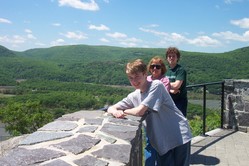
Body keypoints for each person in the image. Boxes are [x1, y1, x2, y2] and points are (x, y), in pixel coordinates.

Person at [108, 59, 192, 166]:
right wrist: (115, 111)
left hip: (178, 135)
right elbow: (111, 108)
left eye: (137, 76)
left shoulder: (156, 85)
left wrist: (123, 111)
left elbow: (140, 111)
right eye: (131, 78)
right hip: (162, 141)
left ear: (145, 74)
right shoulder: (134, 95)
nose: (134, 81)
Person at [145, 56, 171, 166]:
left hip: (161, 118)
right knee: (149, 144)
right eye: (152, 66)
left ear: (162, 68)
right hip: (148, 117)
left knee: (161, 144)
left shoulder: (164, 81)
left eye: (158, 66)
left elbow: (159, 99)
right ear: (150, 68)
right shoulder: (146, 79)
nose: (155, 68)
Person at [165, 47, 188, 117]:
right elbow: (159, 83)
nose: (171, 58)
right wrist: (171, 90)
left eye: (173, 56)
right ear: (167, 58)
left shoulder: (180, 70)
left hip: (179, 101)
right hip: (168, 101)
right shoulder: (165, 70)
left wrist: (164, 84)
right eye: (169, 56)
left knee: (180, 122)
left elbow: (176, 86)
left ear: (177, 58)